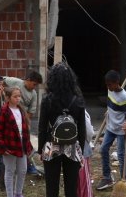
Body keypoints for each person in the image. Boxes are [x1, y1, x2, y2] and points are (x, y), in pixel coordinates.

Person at [38, 62, 86, 197]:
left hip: (51, 145)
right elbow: (81, 128)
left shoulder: (47, 100)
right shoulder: (78, 100)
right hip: (72, 146)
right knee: (72, 188)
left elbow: (42, 127)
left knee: (51, 188)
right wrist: (80, 149)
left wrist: (41, 149)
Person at [3, 70, 44, 176]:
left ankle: (28, 167)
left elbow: (31, 111)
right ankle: (8, 168)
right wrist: (4, 94)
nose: (34, 87)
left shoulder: (33, 94)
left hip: (22, 121)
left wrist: (23, 121)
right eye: (34, 84)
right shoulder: (15, 82)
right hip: (8, 121)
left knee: (24, 145)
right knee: (10, 144)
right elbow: (1, 80)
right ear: (28, 80)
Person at [0, 86, 33, 197]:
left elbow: (25, 129)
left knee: (23, 170)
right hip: (9, 146)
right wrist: (2, 147)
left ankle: (18, 193)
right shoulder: (4, 111)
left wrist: (28, 144)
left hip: (22, 145)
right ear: (8, 97)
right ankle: (10, 194)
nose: (18, 99)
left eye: (19, 96)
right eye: (15, 96)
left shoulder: (21, 110)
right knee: (10, 171)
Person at [96, 70, 126, 190]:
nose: (108, 87)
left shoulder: (125, 98)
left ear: (117, 83)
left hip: (121, 130)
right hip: (110, 127)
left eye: (110, 84)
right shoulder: (109, 90)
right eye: (107, 85)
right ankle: (107, 177)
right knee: (103, 149)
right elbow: (111, 105)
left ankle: (125, 180)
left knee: (121, 155)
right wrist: (108, 112)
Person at [77, 109, 94, 197]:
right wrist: (88, 141)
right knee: (83, 176)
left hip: (67, 150)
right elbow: (89, 131)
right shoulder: (79, 107)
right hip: (81, 148)